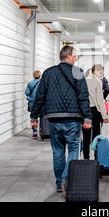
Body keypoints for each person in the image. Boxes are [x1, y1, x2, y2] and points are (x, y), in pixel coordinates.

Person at [30, 46, 92, 193]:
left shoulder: (48, 73)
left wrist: (33, 116)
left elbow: (39, 96)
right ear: (69, 56)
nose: (76, 58)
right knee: (73, 149)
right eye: (75, 56)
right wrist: (87, 118)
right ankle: (66, 178)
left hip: (54, 119)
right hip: (72, 119)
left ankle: (59, 183)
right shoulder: (77, 72)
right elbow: (83, 97)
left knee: (57, 152)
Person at [84, 64, 109, 159]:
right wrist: (105, 116)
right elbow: (100, 101)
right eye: (100, 72)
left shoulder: (83, 80)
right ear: (94, 71)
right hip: (95, 111)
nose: (101, 75)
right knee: (96, 135)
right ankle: (96, 157)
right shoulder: (98, 82)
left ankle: (86, 157)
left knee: (86, 136)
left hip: (85, 111)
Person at [25, 70, 42, 139]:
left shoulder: (30, 83)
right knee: (42, 117)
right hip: (40, 102)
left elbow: (27, 93)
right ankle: (41, 130)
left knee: (33, 117)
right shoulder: (42, 83)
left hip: (32, 103)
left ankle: (34, 133)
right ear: (40, 75)